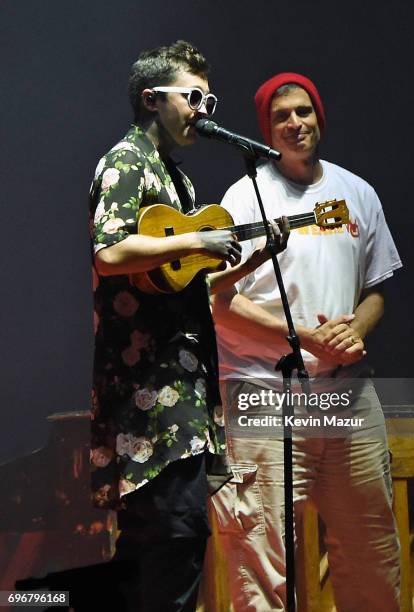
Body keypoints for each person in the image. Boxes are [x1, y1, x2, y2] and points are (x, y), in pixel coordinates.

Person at [89, 42, 288, 612]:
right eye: (194, 97)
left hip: (185, 394)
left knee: (173, 543)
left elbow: (189, 286)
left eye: (209, 98)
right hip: (149, 396)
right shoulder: (125, 161)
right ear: (153, 99)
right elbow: (110, 251)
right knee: (171, 539)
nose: (205, 110)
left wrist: (249, 260)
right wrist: (199, 238)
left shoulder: (178, 181)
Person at [209, 73, 403, 611]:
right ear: (265, 131)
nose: (295, 123)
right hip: (265, 392)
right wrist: (301, 336)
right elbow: (218, 302)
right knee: (263, 565)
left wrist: (353, 330)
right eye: (281, 117)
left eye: (304, 111)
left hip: (347, 394)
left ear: (319, 116)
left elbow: (378, 290)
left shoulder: (356, 192)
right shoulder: (244, 196)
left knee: (371, 555)